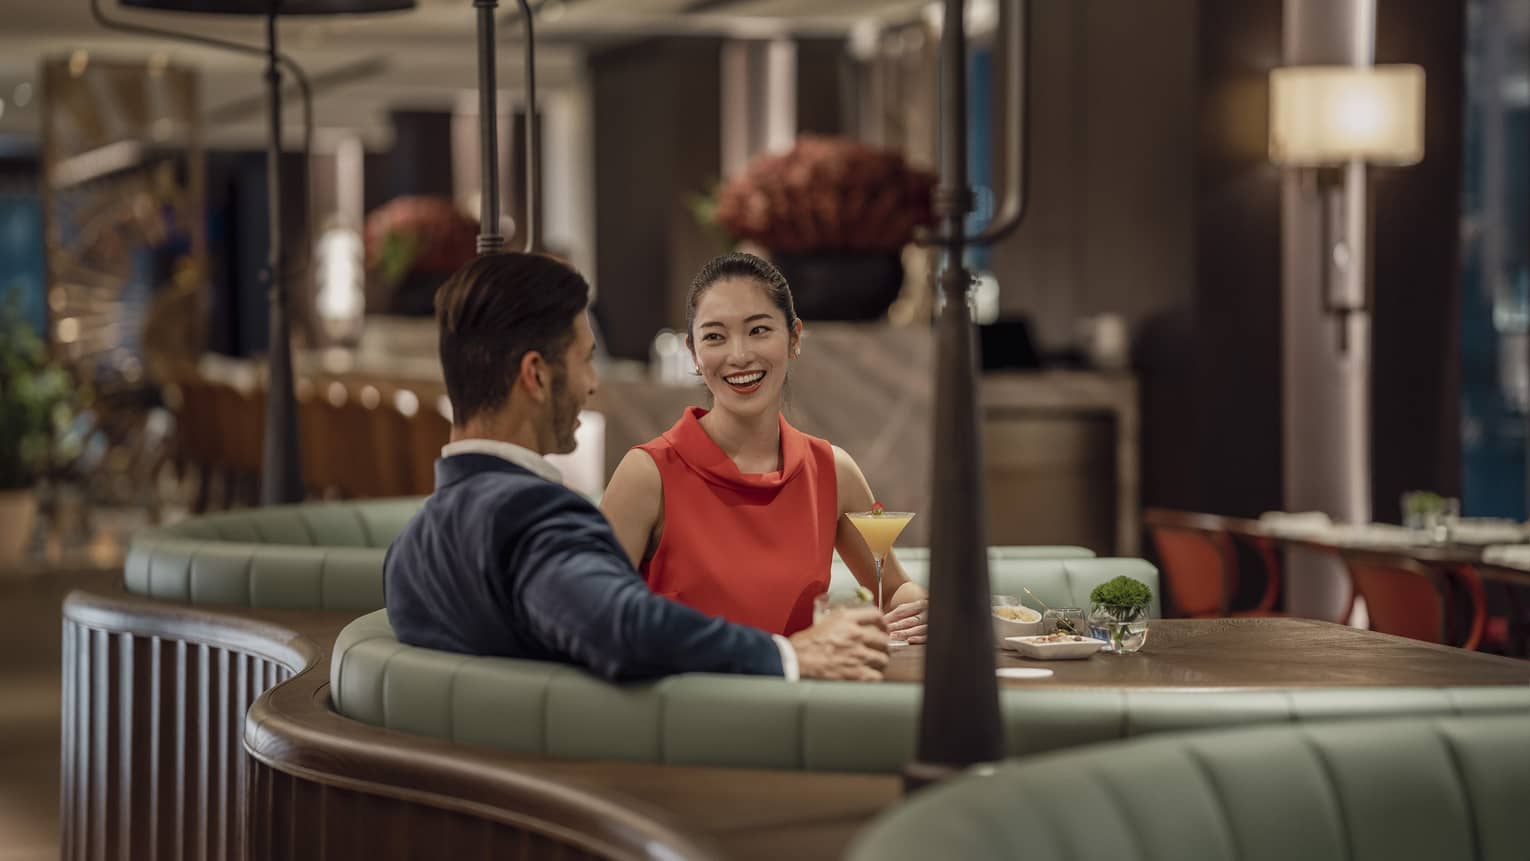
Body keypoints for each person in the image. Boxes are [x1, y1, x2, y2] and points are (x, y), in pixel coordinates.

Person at [384, 252, 889, 682]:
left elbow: (891, 578)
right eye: (587, 360)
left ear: (792, 338)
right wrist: (790, 654)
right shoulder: (538, 519)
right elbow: (621, 626)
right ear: (536, 376)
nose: (593, 384)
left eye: (759, 330)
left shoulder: (411, 547)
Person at [599, 252, 929, 640]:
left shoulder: (833, 471)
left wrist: (919, 609)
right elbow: (594, 617)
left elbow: (892, 587)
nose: (739, 356)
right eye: (715, 337)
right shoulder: (647, 474)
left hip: (802, 698)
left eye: (758, 330)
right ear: (693, 353)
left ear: (794, 338)